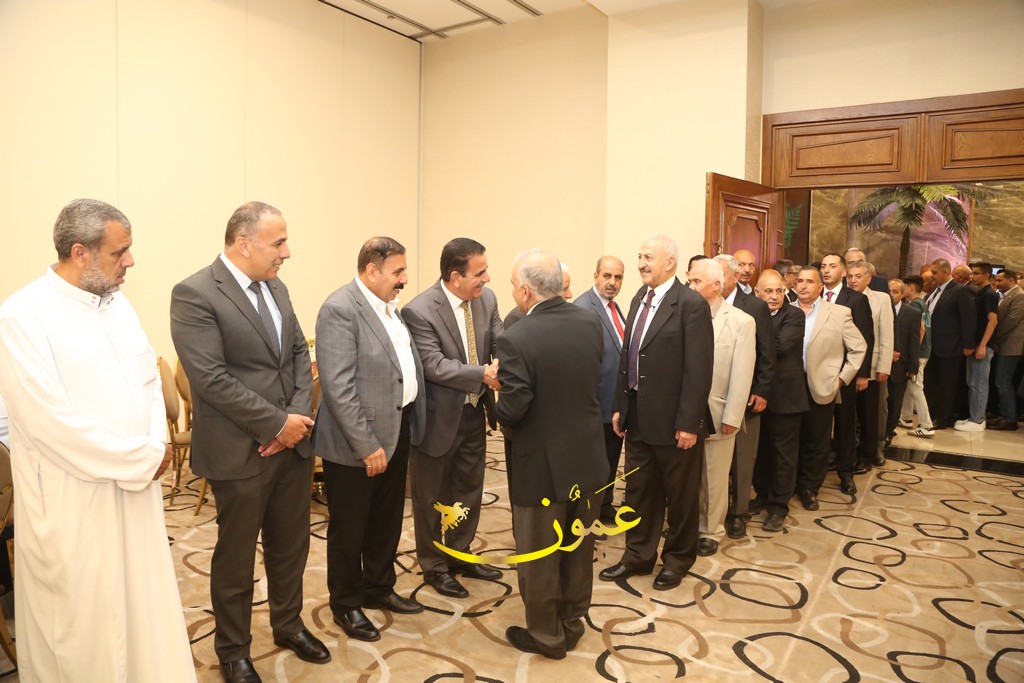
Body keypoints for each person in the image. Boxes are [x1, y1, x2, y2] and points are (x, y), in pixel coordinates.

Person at [0, 199, 195, 682]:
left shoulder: (118, 304)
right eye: (119, 252)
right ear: (80, 252)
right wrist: (139, 456)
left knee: (141, 604)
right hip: (73, 499)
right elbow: (47, 423)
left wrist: (154, 445)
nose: (130, 261)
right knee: (84, 623)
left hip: (135, 487)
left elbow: (148, 381)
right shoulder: (21, 316)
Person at [171, 201, 328, 683]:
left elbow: (298, 352)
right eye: (278, 242)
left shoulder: (276, 287)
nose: (287, 252)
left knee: (290, 546)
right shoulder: (195, 293)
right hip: (239, 451)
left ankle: (288, 624)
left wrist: (294, 421)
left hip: (291, 446)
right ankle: (233, 649)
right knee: (236, 558)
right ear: (243, 243)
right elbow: (211, 379)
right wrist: (277, 424)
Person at [494, 249, 608, 660]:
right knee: (577, 545)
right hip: (587, 457)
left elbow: (514, 409)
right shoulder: (589, 321)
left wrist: (497, 393)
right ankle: (572, 621)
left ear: (526, 291)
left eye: (513, 285)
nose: (513, 292)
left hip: (541, 465)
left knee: (540, 552)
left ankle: (546, 635)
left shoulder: (516, 338)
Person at [312, 237, 427, 643]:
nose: (404, 279)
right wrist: (366, 445)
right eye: (398, 271)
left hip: (397, 429)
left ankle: (378, 586)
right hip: (357, 443)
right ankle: (346, 602)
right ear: (372, 270)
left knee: (386, 518)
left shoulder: (390, 310)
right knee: (350, 526)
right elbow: (339, 387)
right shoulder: (340, 309)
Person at [599, 235, 713, 591]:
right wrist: (620, 406)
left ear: (670, 262)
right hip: (638, 419)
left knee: (680, 498)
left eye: (648, 257)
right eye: (640, 256)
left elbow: (699, 370)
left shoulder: (691, 305)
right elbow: (628, 357)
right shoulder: (639, 297)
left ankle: (677, 560)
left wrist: (688, 423)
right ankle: (638, 556)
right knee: (639, 492)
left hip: (676, 423)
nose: (641, 263)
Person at [403, 238, 504, 599]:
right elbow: (433, 365)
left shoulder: (486, 300)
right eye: (480, 272)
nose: (487, 278)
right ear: (455, 276)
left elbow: (500, 342)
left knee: (468, 490)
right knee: (432, 497)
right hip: (437, 419)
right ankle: (434, 565)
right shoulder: (419, 311)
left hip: (475, 413)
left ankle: (460, 554)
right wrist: (482, 374)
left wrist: (502, 364)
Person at [688, 259, 755, 556]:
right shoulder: (685, 315)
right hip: (686, 413)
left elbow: (742, 373)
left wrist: (733, 415)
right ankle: (690, 524)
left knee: (714, 477)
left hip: (719, 412)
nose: (690, 287)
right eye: (690, 281)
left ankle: (711, 530)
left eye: (696, 282)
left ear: (716, 285)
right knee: (689, 476)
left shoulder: (741, 321)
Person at [793, 267, 867, 511]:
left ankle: (809, 488)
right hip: (789, 386)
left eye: (809, 281)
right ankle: (790, 483)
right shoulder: (786, 310)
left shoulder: (838, 313)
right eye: (800, 281)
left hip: (822, 385)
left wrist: (842, 379)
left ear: (819, 286)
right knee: (790, 439)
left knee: (817, 439)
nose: (804, 286)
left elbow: (858, 348)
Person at [713, 254, 774, 540]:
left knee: (741, 459)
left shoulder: (755, 307)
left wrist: (761, 390)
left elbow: (766, 353)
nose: (716, 281)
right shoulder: (703, 304)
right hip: (712, 398)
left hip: (746, 397)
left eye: (721, 275)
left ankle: (738, 514)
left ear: (735, 277)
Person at [750, 270, 807, 532]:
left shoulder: (794, 315)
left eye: (779, 291)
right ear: (757, 293)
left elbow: (780, 347)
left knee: (784, 455)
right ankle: (762, 495)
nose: (774, 296)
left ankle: (778, 507)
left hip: (786, 397)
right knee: (760, 451)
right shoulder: (752, 314)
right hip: (755, 395)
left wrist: (750, 340)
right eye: (768, 291)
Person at [574, 256, 627, 524]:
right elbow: (580, 363)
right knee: (592, 465)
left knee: (610, 459)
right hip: (594, 405)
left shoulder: (615, 307)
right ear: (595, 276)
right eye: (607, 276)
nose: (612, 282)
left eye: (618, 277)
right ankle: (588, 515)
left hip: (613, 403)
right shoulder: (583, 308)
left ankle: (604, 505)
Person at [819, 252, 874, 498]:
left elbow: (865, 338)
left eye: (832, 266)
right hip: (817, 373)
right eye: (823, 266)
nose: (826, 270)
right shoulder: (813, 296)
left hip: (844, 374)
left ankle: (845, 472)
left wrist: (861, 374)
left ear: (843, 272)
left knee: (845, 423)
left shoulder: (856, 299)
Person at [845, 261, 893, 471]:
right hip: (846, 365)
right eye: (850, 276)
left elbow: (886, 334)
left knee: (869, 414)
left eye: (858, 276)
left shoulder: (881, 299)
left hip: (871, 366)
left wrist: (884, 367)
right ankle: (847, 453)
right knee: (847, 414)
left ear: (868, 278)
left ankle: (868, 454)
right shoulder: (843, 297)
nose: (853, 280)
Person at [923, 258, 976, 429]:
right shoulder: (934, 290)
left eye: (934, 272)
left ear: (946, 272)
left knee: (947, 384)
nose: (931, 276)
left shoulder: (959, 291)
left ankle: (943, 417)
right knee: (931, 383)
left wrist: (968, 344)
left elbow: (968, 319)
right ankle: (932, 414)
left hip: (949, 346)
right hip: (931, 345)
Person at [956, 262, 999, 431]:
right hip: (975, 344)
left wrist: (983, 345)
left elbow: (992, 321)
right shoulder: (980, 292)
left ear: (986, 275)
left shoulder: (989, 294)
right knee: (972, 382)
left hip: (983, 345)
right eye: (972, 273)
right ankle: (974, 416)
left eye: (976, 273)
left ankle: (978, 419)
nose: (973, 276)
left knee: (979, 383)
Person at [885, 278, 922, 445]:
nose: (891, 295)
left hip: (900, 364)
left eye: (895, 292)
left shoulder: (912, 313)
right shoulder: (879, 309)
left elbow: (914, 341)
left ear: (902, 294)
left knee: (895, 401)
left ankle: (888, 432)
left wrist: (913, 366)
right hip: (881, 364)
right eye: (888, 291)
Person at [899, 275, 935, 437]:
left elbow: (920, 329)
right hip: (924, 351)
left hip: (919, 353)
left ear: (911, 288)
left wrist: (913, 352)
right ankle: (906, 417)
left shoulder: (914, 304)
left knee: (916, 388)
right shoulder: (922, 303)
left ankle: (927, 426)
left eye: (904, 287)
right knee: (910, 387)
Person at [991, 269, 1023, 430]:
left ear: (1011, 280)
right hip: (1005, 344)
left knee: (1003, 381)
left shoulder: (1019, 296)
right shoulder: (1006, 296)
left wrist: (993, 337)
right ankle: (1004, 415)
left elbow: (1011, 321)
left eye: (999, 280)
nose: (997, 283)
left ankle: (1010, 418)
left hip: (1012, 346)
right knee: (1001, 381)